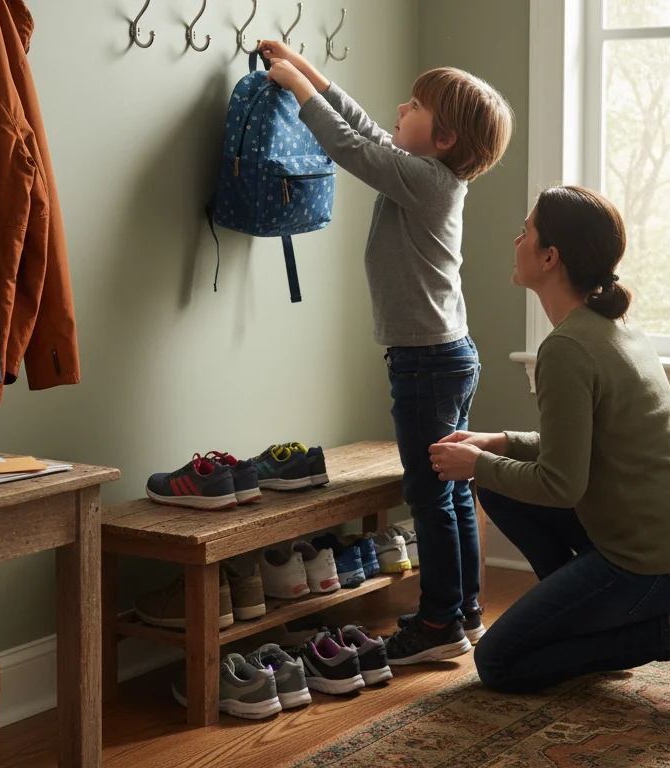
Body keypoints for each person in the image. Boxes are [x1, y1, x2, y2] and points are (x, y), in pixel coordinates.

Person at [429, 185, 670, 710]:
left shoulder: (567, 348)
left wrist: (477, 461)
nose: (516, 238)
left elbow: (561, 482)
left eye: (525, 231)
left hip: (662, 558)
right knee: (499, 488)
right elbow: (588, 448)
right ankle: (600, 625)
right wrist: (500, 443)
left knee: (498, 662)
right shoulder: (612, 327)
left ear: (550, 257)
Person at [260, 41, 514, 665]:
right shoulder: (426, 171)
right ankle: (462, 613)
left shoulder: (425, 180)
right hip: (443, 356)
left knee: (431, 494)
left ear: (444, 138)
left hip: (426, 363)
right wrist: (311, 72)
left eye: (416, 104)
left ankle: (435, 625)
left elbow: (350, 148)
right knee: (450, 491)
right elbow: (370, 130)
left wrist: (298, 90)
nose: (400, 107)